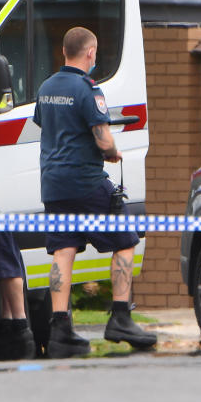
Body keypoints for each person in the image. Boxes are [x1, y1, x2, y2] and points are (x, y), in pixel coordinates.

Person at [32, 27, 156, 358]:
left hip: (54, 185)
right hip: (86, 182)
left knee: (63, 252)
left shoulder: (45, 88)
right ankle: (120, 317)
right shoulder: (89, 89)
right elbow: (102, 139)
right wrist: (113, 151)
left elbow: (48, 126)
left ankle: (60, 331)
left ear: (63, 52)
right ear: (90, 53)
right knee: (126, 242)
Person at [0, 232, 36, 360]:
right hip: (1, 215)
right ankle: (9, 323)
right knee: (3, 261)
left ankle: (20, 325)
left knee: (6, 261)